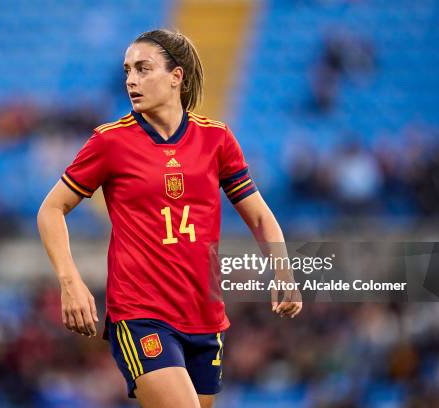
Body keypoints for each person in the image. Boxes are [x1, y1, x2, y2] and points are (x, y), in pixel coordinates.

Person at [37, 29, 302, 408]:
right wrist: (70, 281)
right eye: (128, 70)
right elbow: (51, 209)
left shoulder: (216, 139)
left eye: (143, 69)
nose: (131, 79)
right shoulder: (110, 142)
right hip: (140, 313)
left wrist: (284, 271)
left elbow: (259, 215)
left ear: (176, 76)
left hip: (205, 317)